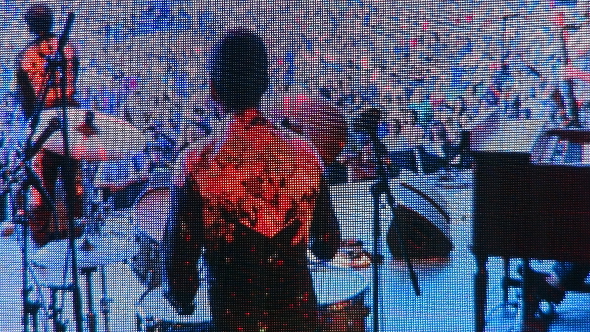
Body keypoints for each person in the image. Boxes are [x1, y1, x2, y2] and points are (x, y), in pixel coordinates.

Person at [162, 29, 325, 332]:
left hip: (236, 321)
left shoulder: (195, 163)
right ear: (264, 84)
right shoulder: (307, 154)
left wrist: (182, 298)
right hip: (299, 320)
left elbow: (179, 276)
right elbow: (327, 244)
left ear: (212, 89)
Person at [15, 4, 85, 246]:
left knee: (42, 184)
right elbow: (73, 76)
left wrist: (32, 125)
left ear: (30, 26)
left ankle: (43, 240)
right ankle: (73, 233)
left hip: (45, 123)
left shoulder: (24, 56)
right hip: (70, 119)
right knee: (72, 179)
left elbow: (25, 98)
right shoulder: (69, 48)